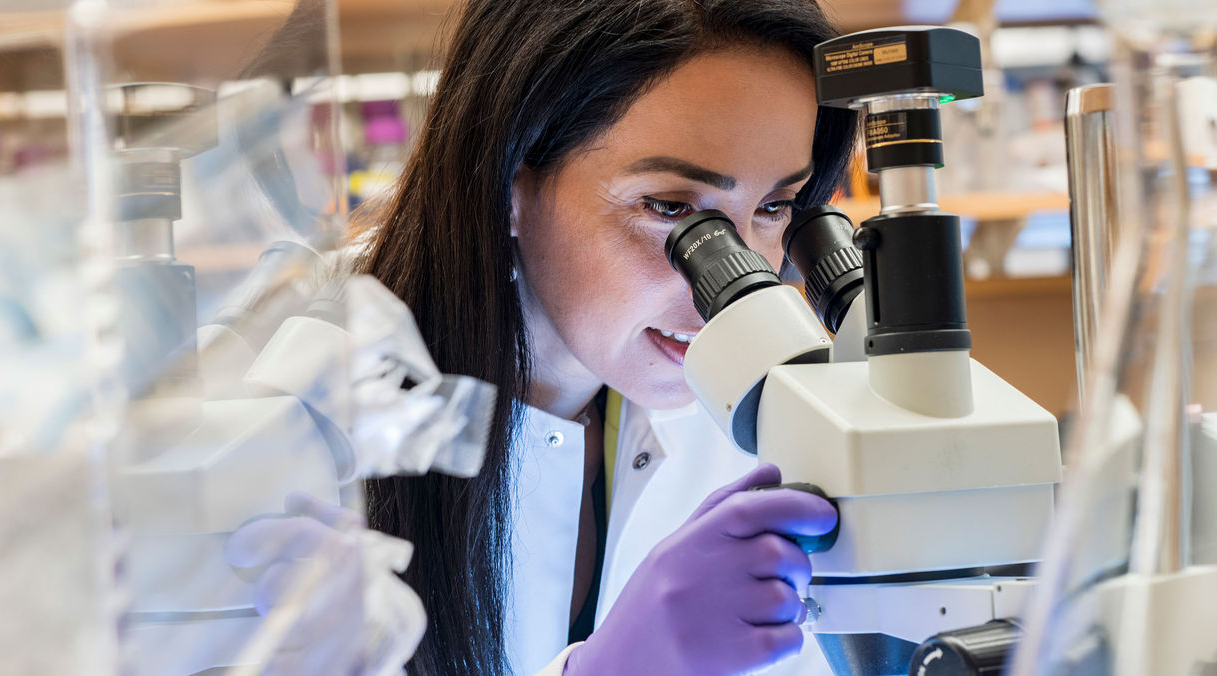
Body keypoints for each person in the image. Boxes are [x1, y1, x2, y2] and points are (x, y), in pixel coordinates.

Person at [357, 0, 859, 674]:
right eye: (671, 209)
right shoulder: (306, 421)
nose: (733, 284)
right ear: (508, 182)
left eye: (773, 208)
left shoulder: (739, 418)